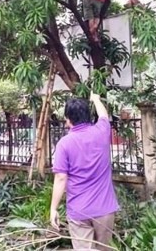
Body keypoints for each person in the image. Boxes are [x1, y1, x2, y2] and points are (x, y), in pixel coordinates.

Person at [50, 93, 119, 250]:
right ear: (88, 115)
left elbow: (61, 178)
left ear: (68, 120)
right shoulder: (102, 131)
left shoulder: (64, 144)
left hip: (79, 211)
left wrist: (53, 208)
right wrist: (96, 99)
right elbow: (103, 115)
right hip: (105, 210)